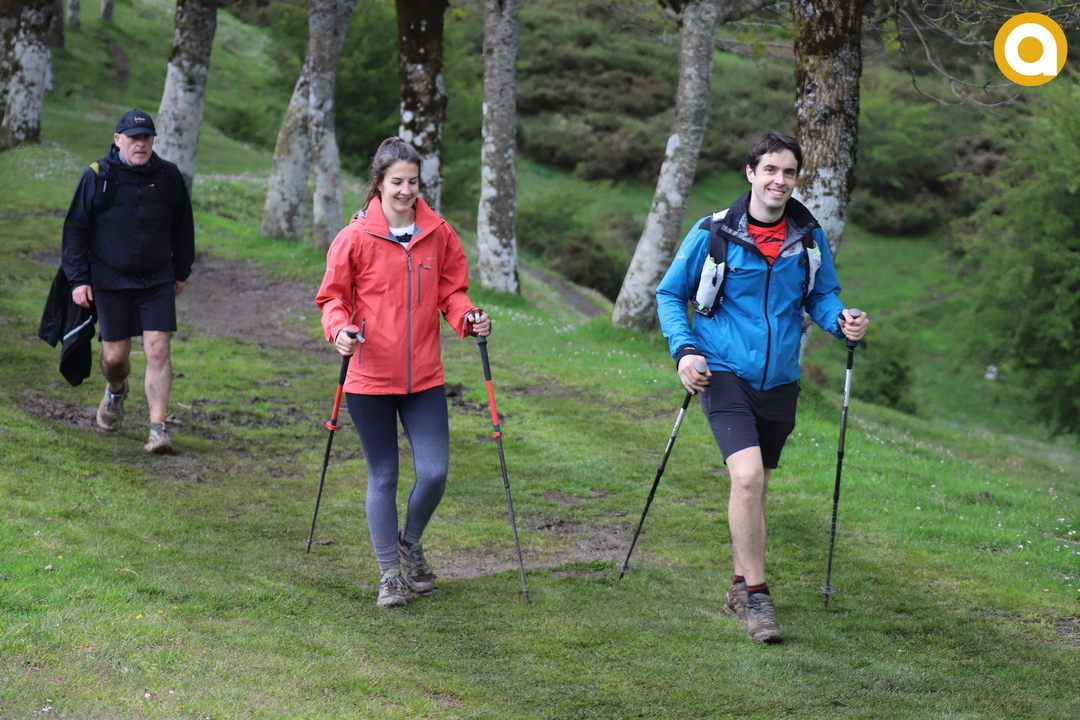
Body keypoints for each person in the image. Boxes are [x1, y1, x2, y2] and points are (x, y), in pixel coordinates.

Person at [656, 131, 868, 643]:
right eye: (770, 169)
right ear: (751, 173)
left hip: (781, 380)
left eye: (789, 172)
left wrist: (842, 320)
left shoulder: (808, 237)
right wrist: (685, 351)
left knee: (756, 486)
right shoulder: (713, 232)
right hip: (723, 370)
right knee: (748, 477)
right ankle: (757, 598)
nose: (780, 180)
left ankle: (737, 586)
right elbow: (670, 294)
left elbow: (821, 296)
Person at [316, 137, 491, 608]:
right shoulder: (354, 237)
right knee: (384, 476)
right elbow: (333, 298)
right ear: (378, 183)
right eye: (397, 182)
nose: (406, 191)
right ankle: (390, 575)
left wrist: (469, 316)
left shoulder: (439, 233)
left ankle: (409, 544)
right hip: (369, 378)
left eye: (413, 182)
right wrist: (339, 329)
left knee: (434, 472)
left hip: (424, 378)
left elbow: (452, 292)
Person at [61, 109, 195, 455]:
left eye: (146, 137)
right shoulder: (97, 176)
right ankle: (116, 390)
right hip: (110, 280)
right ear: (118, 140)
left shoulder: (168, 176)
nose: (141, 144)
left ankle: (158, 429)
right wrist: (78, 280)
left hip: (157, 279)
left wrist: (180, 272)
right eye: (134, 138)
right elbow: (76, 230)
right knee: (116, 357)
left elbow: (183, 227)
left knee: (158, 349)